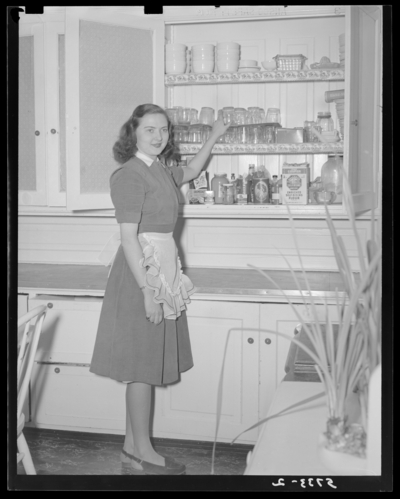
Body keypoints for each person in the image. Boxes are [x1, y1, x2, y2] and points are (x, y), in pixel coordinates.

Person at [89, 104, 229, 475]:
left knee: (144, 365)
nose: (158, 136)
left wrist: (215, 133)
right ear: (132, 133)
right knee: (142, 368)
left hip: (160, 269)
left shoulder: (161, 172)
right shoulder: (129, 176)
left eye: (164, 130)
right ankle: (142, 453)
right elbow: (129, 239)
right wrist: (148, 291)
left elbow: (194, 170)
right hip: (141, 275)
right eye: (149, 129)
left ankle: (131, 448)